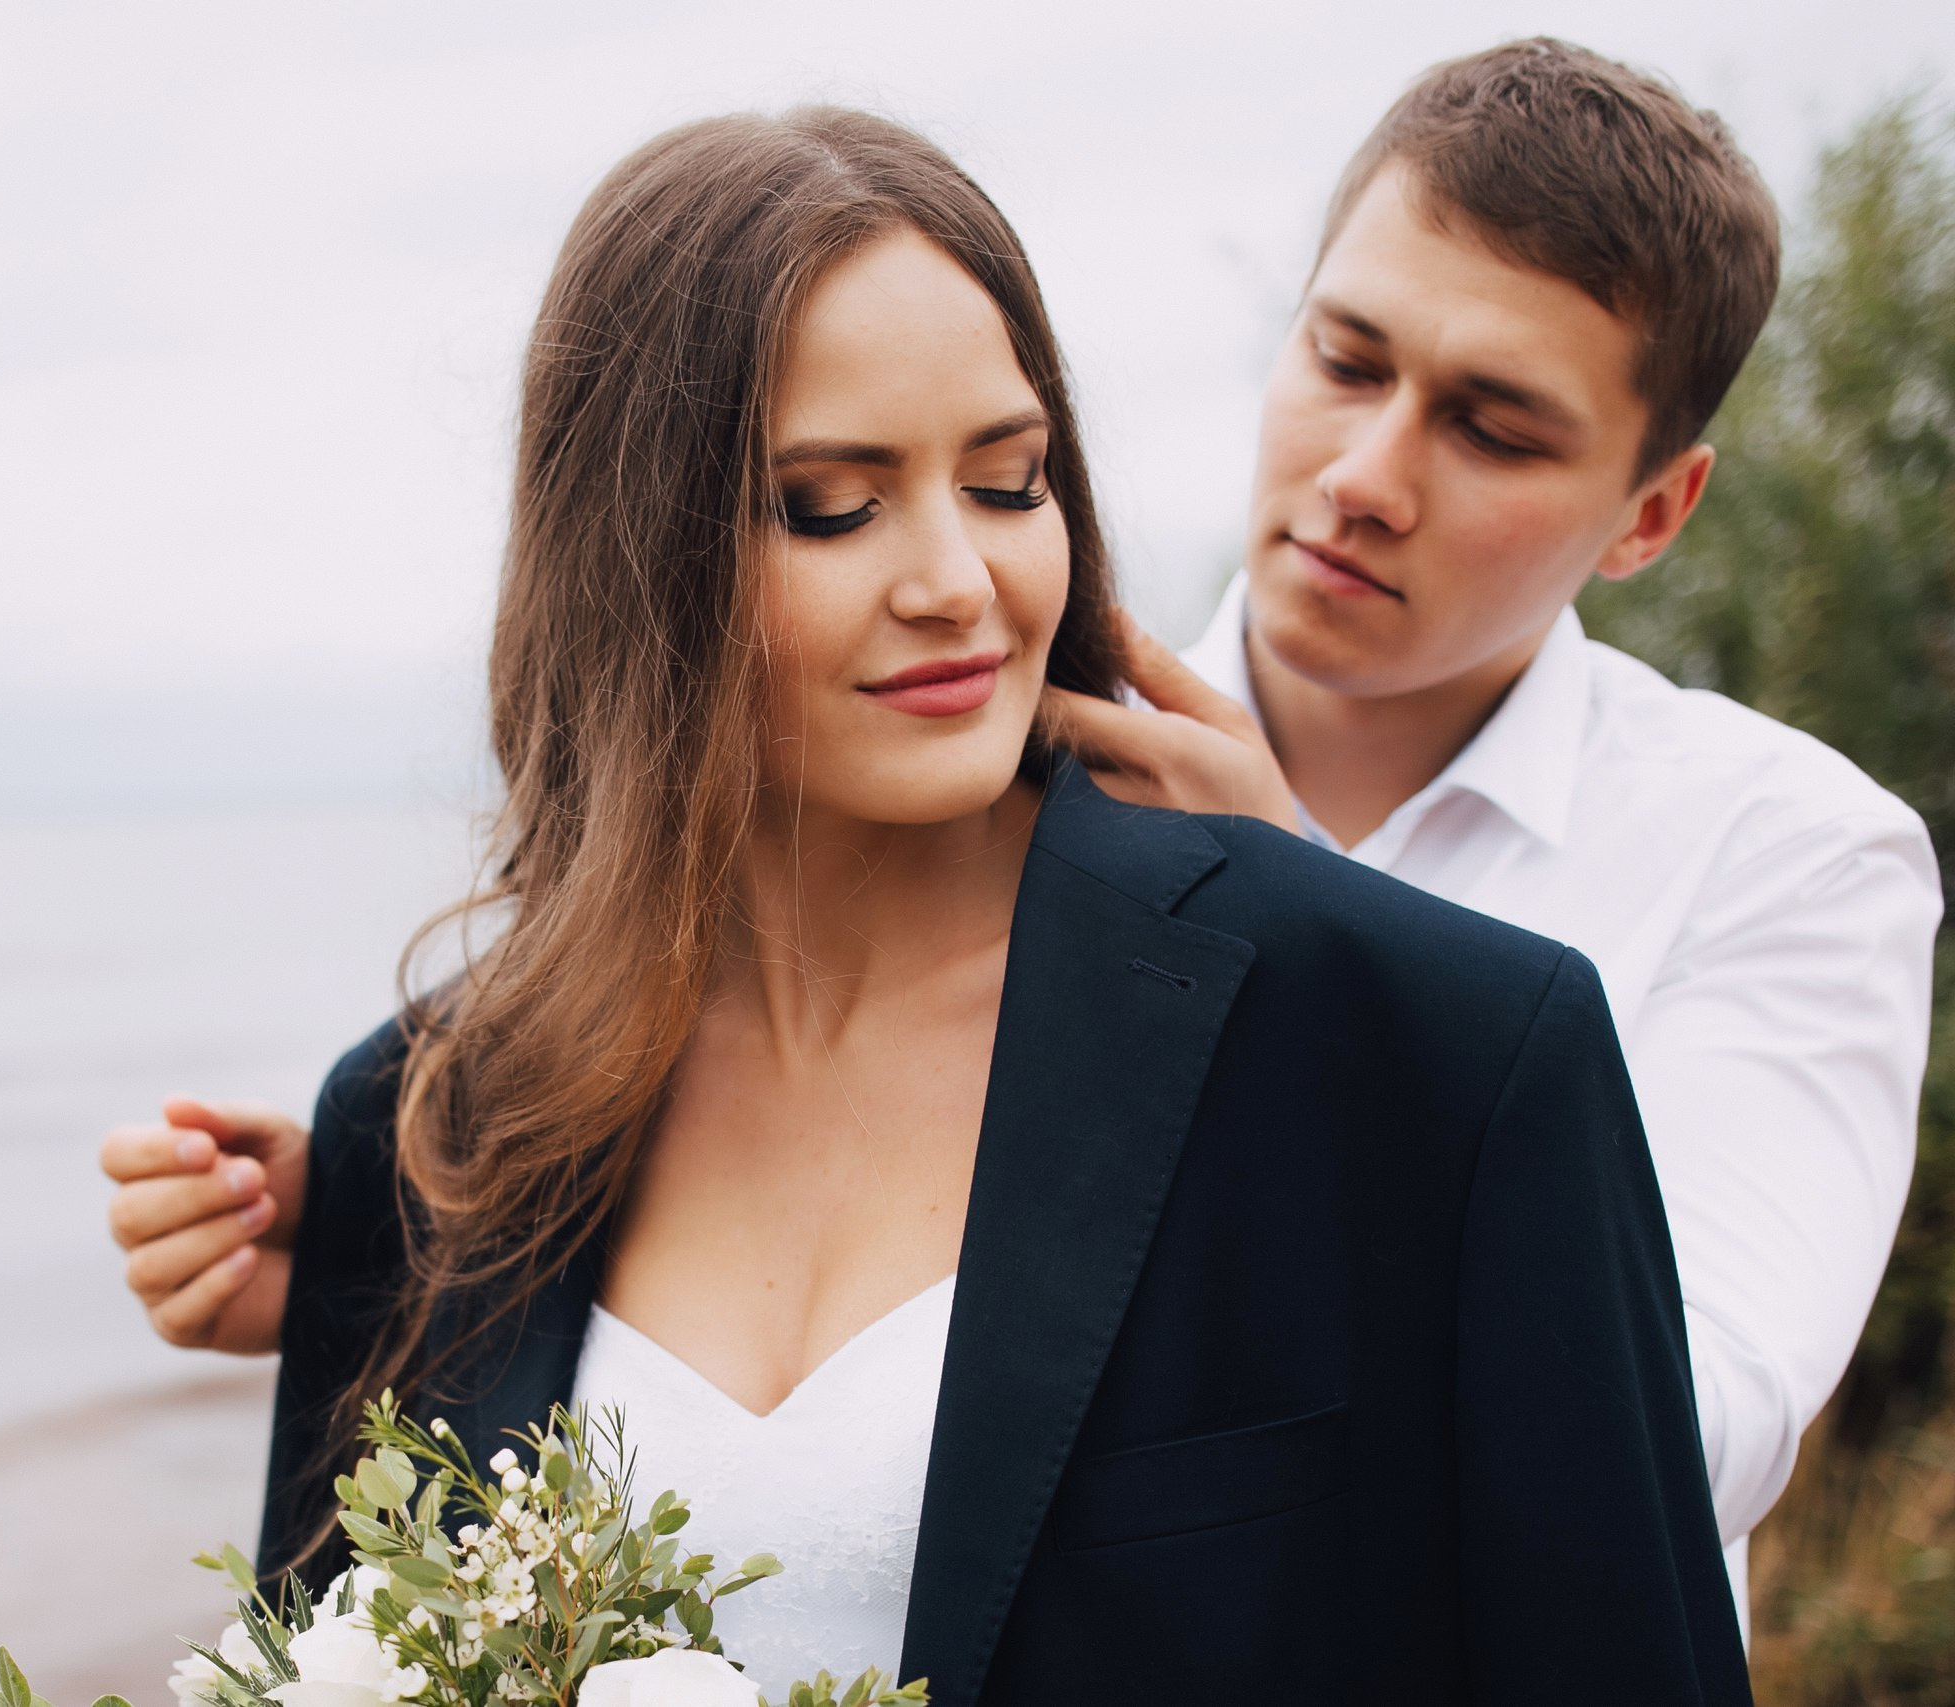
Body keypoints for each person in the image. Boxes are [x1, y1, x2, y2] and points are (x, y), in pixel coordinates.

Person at [110, 107, 1745, 1704]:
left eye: (1009, 480)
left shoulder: (1426, 1045)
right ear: (629, 557)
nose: (958, 581)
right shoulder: (421, 1130)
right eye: (833, 504)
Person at [1036, 39, 1943, 1627]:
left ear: (1653, 515)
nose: (1366, 476)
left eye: (1495, 430)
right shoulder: (1014, 782)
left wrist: (1307, 935)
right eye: (1345, 357)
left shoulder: (1791, 852)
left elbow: (1693, 1433)